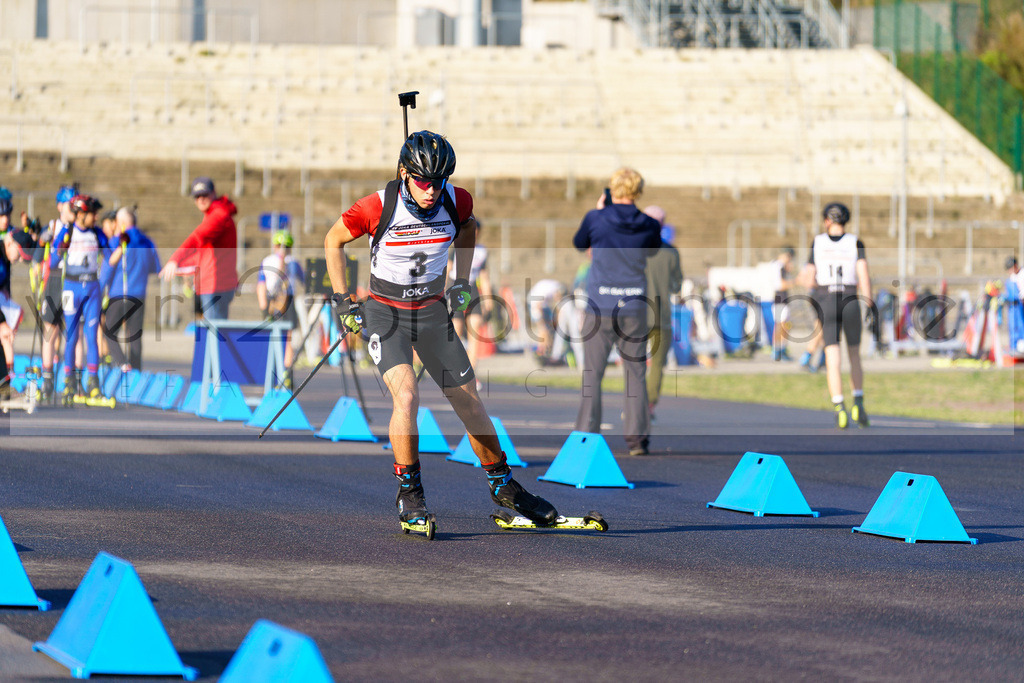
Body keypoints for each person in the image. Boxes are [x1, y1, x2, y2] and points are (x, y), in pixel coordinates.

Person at [323, 130, 557, 529]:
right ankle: (410, 492)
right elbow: (333, 239)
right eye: (423, 181)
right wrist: (343, 299)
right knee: (408, 396)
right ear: (404, 173)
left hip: (431, 313)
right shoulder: (377, 206)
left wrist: (461, 280)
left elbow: (468, 228)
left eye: (440, 180)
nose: (432, 190)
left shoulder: (456, 199)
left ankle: (503, 485)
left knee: (470, 402)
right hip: (385, 313)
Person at [573, 168, 662, 456]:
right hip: (633, 305)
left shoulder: (596, 218)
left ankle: (587, 435)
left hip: (600, 305)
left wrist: (601, 210)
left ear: (612, 190)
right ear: (638, 191)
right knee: (635, 372)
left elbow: (579, 243)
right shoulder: (649, 223)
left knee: (592, 374)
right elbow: (651, 251)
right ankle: (637, 439)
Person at [797, 202, 873, 429]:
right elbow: (863, 277)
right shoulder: (855, 242)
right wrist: (869, 303)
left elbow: (809, 279)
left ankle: (839, 407)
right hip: (849, 298)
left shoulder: (818, 242)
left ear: (827, 221)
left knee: (832, 357)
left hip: (827, 299)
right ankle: (858, 401)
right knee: (855, 355)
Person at [50, 195, 125, 402]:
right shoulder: (68, 231)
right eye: (93, 213)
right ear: (81, 214)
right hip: (70, 289)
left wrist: (122, 247)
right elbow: (52, 261)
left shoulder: (97, 233)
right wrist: (60, 249)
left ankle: (93, 382)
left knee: (92, 336)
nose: (97, 217)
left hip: (92, 289)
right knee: (72, 337)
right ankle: (69, 382)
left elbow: (110, 259)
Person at [160, 176, 238, 320]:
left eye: (204, 195)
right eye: (197, 196)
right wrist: (183, 265)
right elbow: (204, 253)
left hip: (216, 285)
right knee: (214, 334)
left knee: (215, 336)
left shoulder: (218, 216)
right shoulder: (213, 215)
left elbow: (197, 237)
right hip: (213, 282)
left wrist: (175, 259)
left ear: (213, 193)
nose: (201, 199)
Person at [99, 206, 161, 371]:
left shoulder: (117, 241)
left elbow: (106, 270)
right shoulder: (147, 242)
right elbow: (155, 267)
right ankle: (136, 370)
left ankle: (122, 363)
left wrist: (97, 291)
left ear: (122, 223)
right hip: (139, 294)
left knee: (109, 331)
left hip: (119, 294)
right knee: (134, 337)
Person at [34, 185, 79, 400]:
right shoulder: (52, 226)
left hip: (72, 280)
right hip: (53, 281)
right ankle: (48, 380)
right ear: (60, 206)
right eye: (69, 205)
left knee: (71, 332)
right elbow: (38, 254)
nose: (72, 209)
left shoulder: (79, 227)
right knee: (49, 331)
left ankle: (71, 379)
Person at [642, 206, 683, 422]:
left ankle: (633, 404)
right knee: (657, 364)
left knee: (635, 363)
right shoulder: (671, 252)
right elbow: (677, 286)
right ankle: (649, 404)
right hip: (661, 315)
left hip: (636, 315)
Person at [256, 229, 305, 389]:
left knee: (286, 338)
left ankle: (286, 373)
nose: (283, 249)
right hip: (275, 300)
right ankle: (277, 372)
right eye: (281, 245)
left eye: (286, 246)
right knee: (278, 337)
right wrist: (264, 308)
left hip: (285, 300)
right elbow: (261, 285)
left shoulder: (292, 262)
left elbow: (303, 281)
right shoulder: (268, 261)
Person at [446, 220, 494, 377]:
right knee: (457, 330)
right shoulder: (458, 246)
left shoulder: (481, 251)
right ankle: (455, 368)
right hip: (456, 285)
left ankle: (471, 372)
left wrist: (488, 300)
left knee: (475, 330)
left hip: (472, 288)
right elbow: (448, 269)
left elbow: (484, 277)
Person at [0, 227, 38, 397]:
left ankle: (4, 385)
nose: (20, 261)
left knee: (5, 339)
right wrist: (1, 321)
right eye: (20, 254)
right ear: (10, 243)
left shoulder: (6, 259)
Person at [527, 278, 569, 364]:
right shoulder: (549, 290)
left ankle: (546, 350)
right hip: (535, 305)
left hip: (543, 305)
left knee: (548, 329)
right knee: (544, 330)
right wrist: (541, 325)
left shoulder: (555, 287)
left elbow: (558, 306)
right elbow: (538, 307)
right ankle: (542, 351)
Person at [769, 246, 796, 361]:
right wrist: (796, 282)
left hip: (782, 300)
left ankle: (780, 349)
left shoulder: (779, 266)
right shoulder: (778, 266)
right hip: (779, 300)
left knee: (783, 325)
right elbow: (780, 285)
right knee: (781, 325)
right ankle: (778, 350)